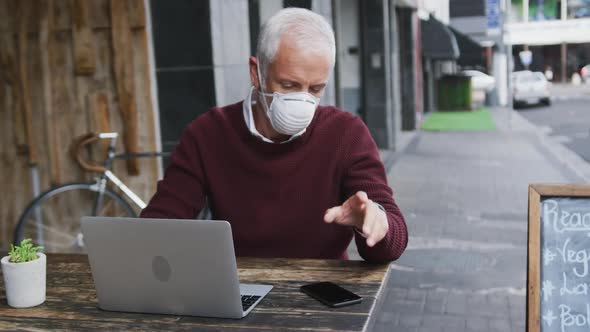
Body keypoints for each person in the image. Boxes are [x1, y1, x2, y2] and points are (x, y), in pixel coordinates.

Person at [140, 8, 407, 263]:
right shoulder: (208, 134)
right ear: (256, 73)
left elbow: (392, 239)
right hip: (237, 288)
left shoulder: (346, 134)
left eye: (315, 89)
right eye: (288, 85)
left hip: (321, 294)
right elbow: (162, 220)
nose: (302, 100)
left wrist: (376, 224)